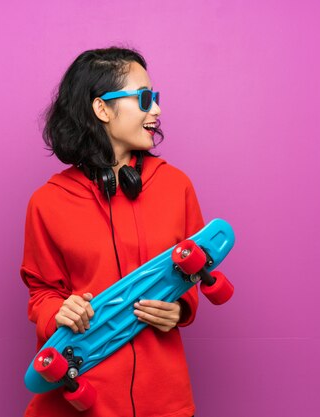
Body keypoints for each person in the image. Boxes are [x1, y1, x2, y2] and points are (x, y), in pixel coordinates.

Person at [20, 46, 203, 417]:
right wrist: (58, 310)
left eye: (156, 98)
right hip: (82, 398)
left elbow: (194, 270)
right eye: (144, 98)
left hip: (164, 400)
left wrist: (181, 308)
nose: (157, 110)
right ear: (102, 108)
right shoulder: (48, 202)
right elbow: (41, 293)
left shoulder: (176, 186)